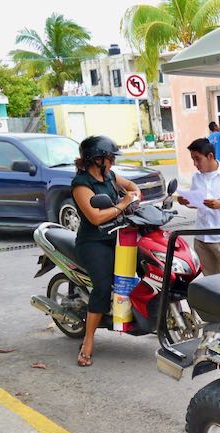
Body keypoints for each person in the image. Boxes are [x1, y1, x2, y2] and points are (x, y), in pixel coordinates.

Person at [71, 135, 141, 367]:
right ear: (96, 159)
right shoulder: (82, 184)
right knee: (102, 287)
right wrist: (122, 204)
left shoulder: (109, 176)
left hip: (117, 234)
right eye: (109, 157)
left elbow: (132, 187)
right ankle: (88, 342)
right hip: (93, 242)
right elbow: (95, 217)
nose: (112, 161)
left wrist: (134, 197)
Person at [177, 138, 220, 275]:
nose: (195, 164)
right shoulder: (197, 177)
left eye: (197, 159)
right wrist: (186, 201)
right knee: (210, 281)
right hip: (201, 237)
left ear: (210, 156)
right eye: (192, 159)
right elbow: (197, 203)